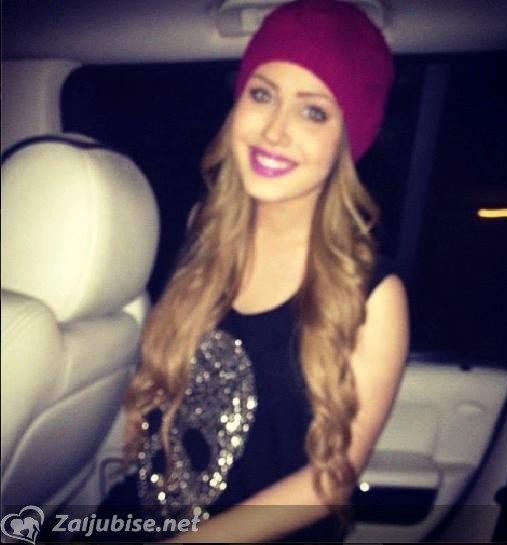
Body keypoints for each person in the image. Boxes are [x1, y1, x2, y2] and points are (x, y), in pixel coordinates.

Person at [92, 0, 409, 542]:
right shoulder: (202, 243)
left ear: (345, 141)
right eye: (262, 95)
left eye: (313, 112)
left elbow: (331, 479)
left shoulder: (374, 294)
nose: (275, 131)